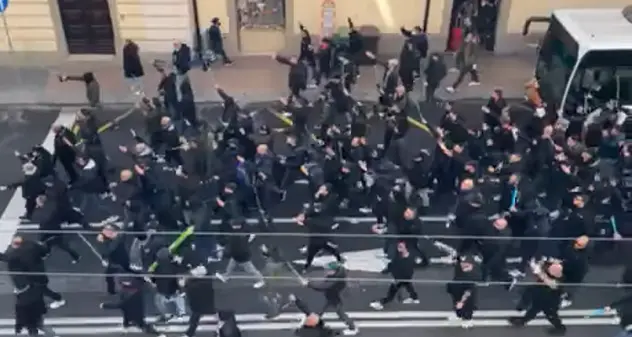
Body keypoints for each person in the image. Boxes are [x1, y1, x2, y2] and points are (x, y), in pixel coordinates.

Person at [302, 261, 358, 335]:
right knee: (319, 312)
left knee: (340, 313)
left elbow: (323, 286)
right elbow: (323, 284)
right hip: (330, 297)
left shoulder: (335, 279)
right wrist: (309, 283)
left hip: (336, 298)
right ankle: (310, 325)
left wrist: (309, 284)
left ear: (334, 270)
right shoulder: (334, 276)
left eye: (328, 270)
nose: (326, 271)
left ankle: (352, 328)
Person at [100, 273, 165, 336]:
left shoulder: (127, 301)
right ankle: (127, 324)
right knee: (139, 323)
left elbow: (115, 306)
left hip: (135, 317)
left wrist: (103, 305)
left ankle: (127, 324)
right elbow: (142, 287)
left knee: (138, 322)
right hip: (138, 315)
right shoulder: (137, 295)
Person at [446, 255, 478, 328]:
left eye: (467, 265)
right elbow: (456, 259)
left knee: (467, 303)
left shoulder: (471, 276)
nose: (463, 265)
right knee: (457, 302)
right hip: (457, 285)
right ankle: (459, 315)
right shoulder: (460, 263)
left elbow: (468, 292)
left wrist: (462, 301)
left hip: (466, 290)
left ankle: (468, 320)